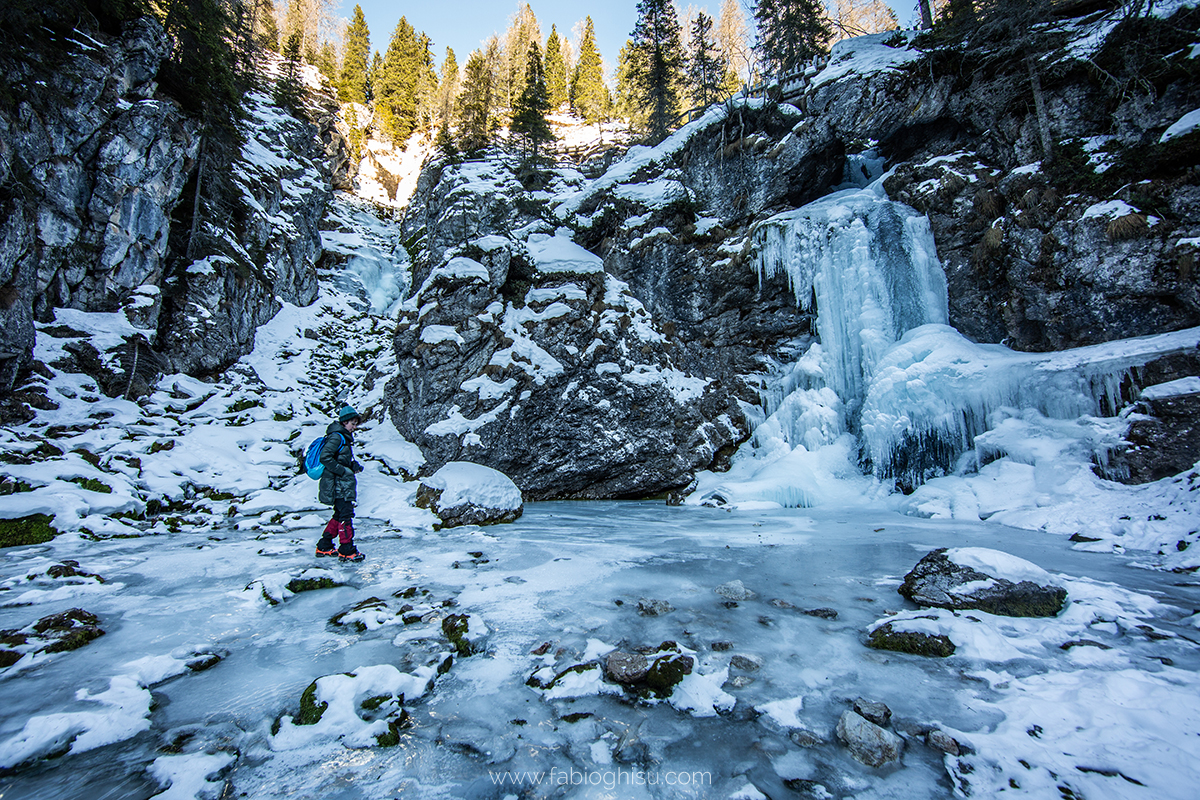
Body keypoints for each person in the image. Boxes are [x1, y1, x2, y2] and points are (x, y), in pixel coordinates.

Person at [315, 405, 366, 561]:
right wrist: (344, 471)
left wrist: (351, 466)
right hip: (338, 485)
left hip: (340, 483)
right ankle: (346, 549)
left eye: (356, 423)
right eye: (352, 423)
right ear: (344, 422)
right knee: (346, 515)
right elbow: (325, 458)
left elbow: (338, 459)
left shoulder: (342, 437)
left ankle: (324, 546)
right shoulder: (337, 437)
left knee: (339, 514)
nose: (354, 427)